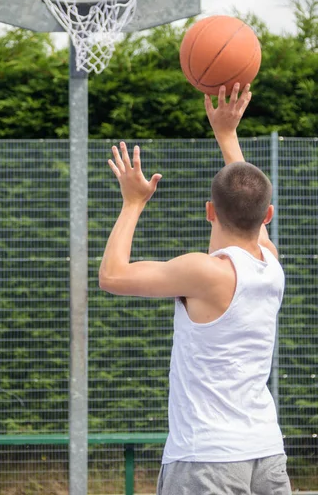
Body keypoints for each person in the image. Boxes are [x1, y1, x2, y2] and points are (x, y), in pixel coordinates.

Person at [99, 83, 291, 495]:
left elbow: (112, 276)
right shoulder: (271, 266)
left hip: (207, 459)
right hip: (266, 455)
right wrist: (227, 135)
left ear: (209, 212)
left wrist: (133, 202)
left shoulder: (205, 272)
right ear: (268, 216)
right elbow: (249, 201)